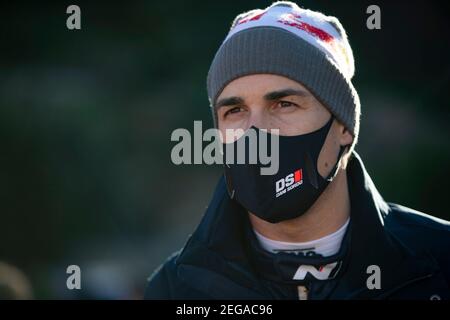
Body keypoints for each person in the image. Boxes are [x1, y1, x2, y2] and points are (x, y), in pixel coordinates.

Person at [145, 1, 450, 300]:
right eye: (235, 110)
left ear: (343, 126)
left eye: (284, 104)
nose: (257, 132)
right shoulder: (175, 288)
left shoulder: (438, 262)